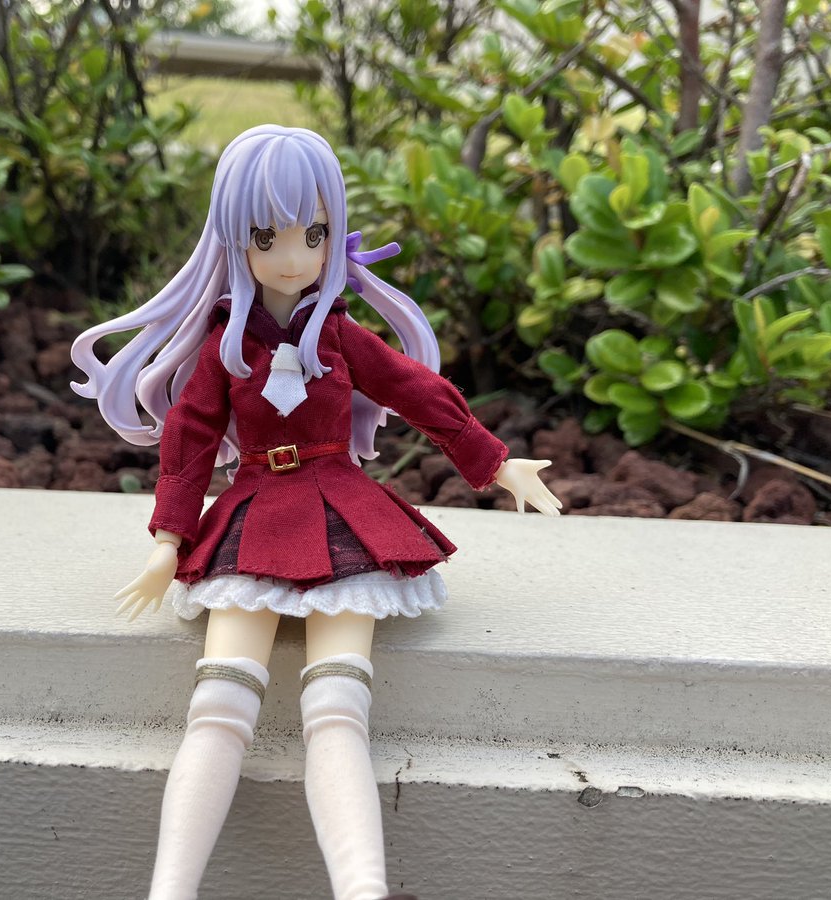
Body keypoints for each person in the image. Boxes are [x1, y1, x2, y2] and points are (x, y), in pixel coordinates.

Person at [71, 124, 561, 900]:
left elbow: (415, 391)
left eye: (316, 233)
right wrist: (169, 538)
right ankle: (170, 889)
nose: (295, 257)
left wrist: (495, 462)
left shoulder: (337, 333)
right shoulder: (225, 346)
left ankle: (362, 889)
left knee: (337, 707)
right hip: (253, 512)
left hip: (343, 511)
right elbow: (189, 440)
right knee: (219, 704)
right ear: (234, 239)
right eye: (267, 237)